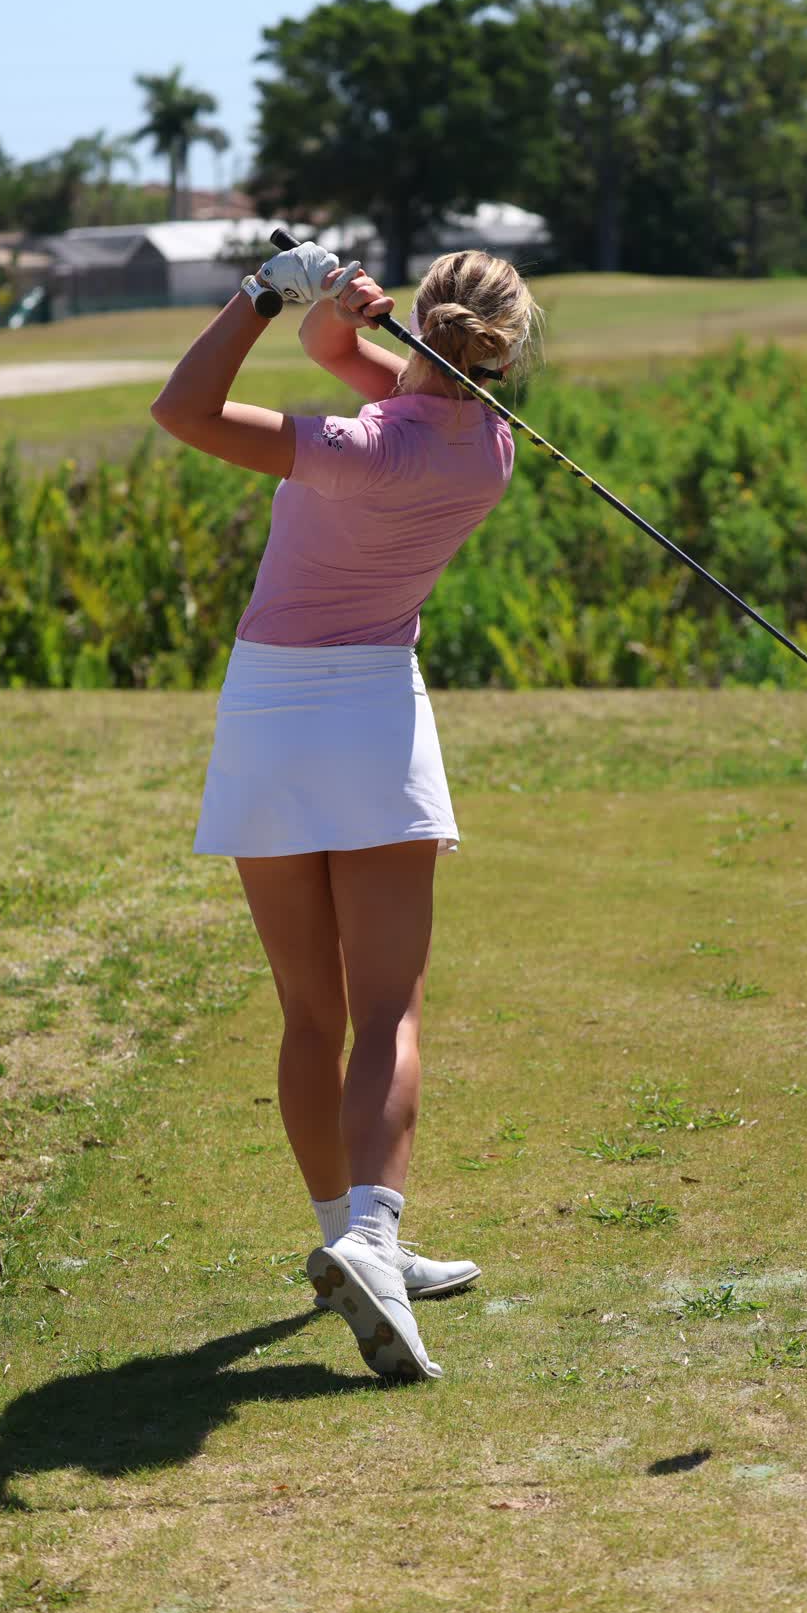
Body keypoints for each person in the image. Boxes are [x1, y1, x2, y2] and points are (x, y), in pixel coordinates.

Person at [149, 239, 542, 1382]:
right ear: (504, 351)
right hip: (374, 713)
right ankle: (371, 1239)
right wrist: (336, 311)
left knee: (312, 1014)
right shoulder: (489, 447)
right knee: (387, 1009)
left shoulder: (355, 446)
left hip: (269, 714)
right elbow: (361, 363)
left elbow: (184, 410)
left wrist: (261, 297)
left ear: (425, 320)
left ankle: (353, 1239)